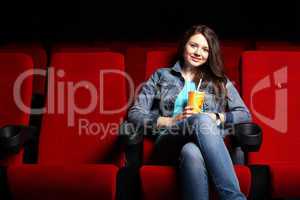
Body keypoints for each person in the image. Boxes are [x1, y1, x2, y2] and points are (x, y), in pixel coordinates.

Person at [127, 24, 251, 200]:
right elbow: (135, 114)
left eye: (205, 49)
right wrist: (169, 121)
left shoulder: (219, 80)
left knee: (191, 151)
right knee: (200, 121)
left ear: (209, 55)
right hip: (168, 142)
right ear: (184, 45)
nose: (198, 53)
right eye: (193, 45)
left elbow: (244, 113)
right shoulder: (161, 76)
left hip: (206, 146)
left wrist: (216, 117)